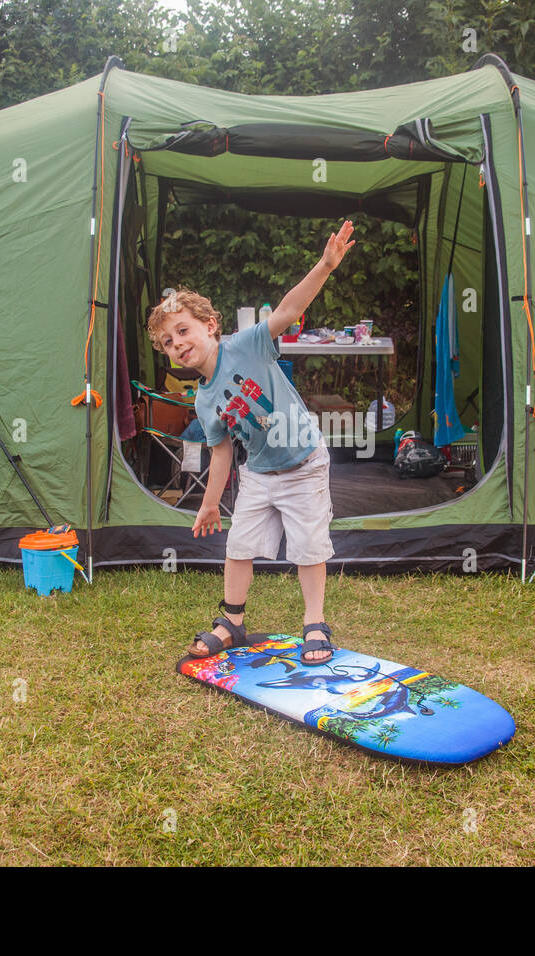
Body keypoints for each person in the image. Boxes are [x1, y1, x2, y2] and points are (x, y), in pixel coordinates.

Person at [145, 221, 357, 665]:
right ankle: (233, 622)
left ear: (210, 325)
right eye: (168, 342)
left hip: (304, 462)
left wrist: (324, 265)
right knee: (239, 545)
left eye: (183, 331)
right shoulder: (203, 402)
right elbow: (222, 453)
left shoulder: (248, 345)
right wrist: (208, 503)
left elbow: (287, 310)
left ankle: (315, 622)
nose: (178, 344)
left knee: (308, 547)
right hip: (259, 473)